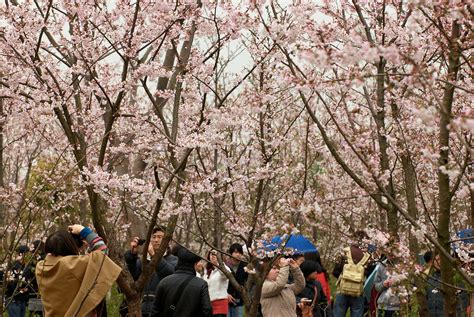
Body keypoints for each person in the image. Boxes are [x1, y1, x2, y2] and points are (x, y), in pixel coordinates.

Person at [35, 224, 121, 316]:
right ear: (69, 246)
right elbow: (102, 253)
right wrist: (84, 231)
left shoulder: (40, 268)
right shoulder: (71, 265)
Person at [124, 225, 178, 315]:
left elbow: (170, 276)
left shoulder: (174, 260)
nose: (156, 240)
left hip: (163, 309)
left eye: (160, 237)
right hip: (143, 309)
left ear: (167, 241)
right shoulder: (144, 261)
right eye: (153, 237)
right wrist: (132, 256)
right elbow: (133, 277)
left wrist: (154, 255)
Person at [151, 246, 212, 316]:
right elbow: (207, 310)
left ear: (178, 262)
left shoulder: (164, 282)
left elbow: (155, 311)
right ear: (194, 264)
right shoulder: (201, 284)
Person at [332, 231, 371, 317]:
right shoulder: (368, 256)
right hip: (358, 292)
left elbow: (335, 271)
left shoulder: (344, 252)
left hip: (342, 290)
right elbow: (369, 275)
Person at [199, 249, 231, 317]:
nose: (213, 256)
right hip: (208, 304)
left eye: (215, 254)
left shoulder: (225, 268)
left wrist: (218, 264)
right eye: (211, 254)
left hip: (220, 304)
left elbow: (225, 275)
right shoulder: (207, 271)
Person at [5, 245, 33, 317]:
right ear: (22, 254)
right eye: (28, 254)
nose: (30, 256)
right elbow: (10, 283)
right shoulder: (14, 266)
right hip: (13, 300)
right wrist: (21, 288)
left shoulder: (26, 266)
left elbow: (28, 281)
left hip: (22, 299)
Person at [226, 243, 248, 317]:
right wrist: (226, 294)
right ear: (231, 253)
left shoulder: (245, 266)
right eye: (235, 252)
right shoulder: (225, 265)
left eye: (240, 252)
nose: (238, 254)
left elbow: (248, 282)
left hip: (239, 299)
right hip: (226, 298)